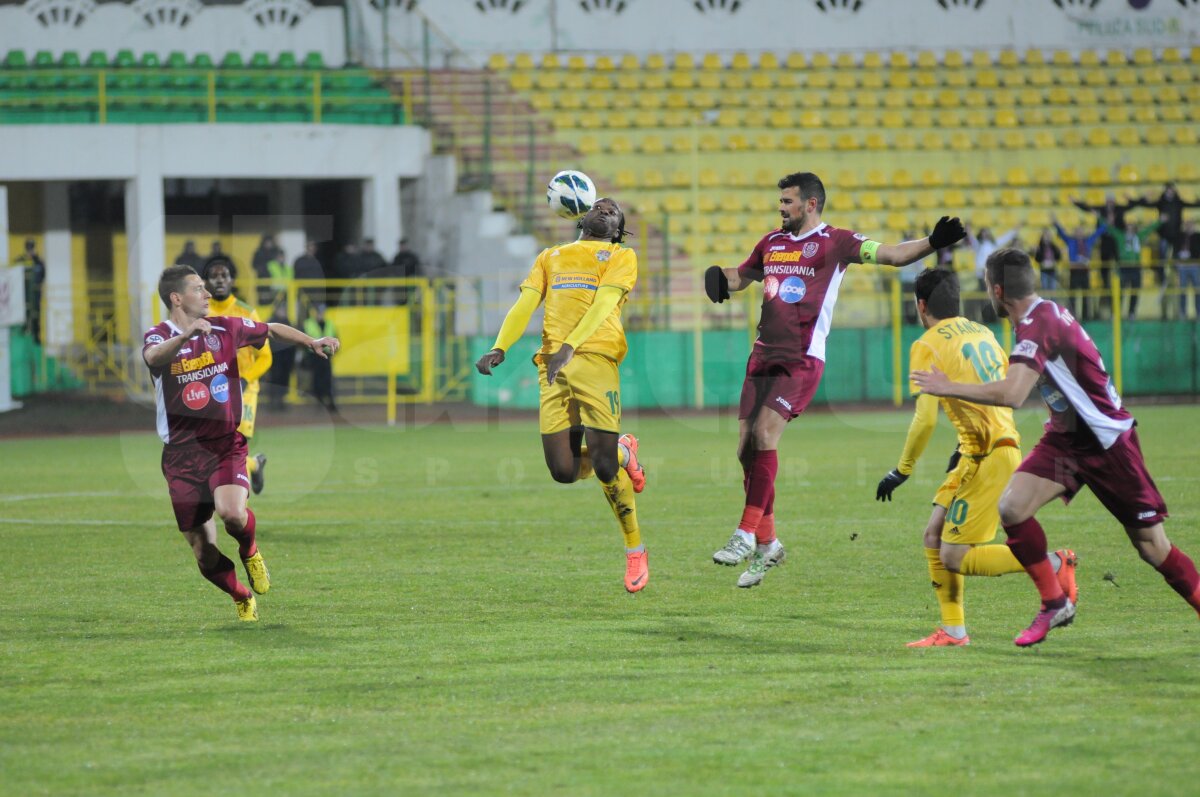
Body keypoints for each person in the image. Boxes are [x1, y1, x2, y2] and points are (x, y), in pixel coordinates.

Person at [912, 247, 1200, 647]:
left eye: (987, 286)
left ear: (997, 290)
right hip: (1066, 441)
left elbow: (1013, 394)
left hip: (1107, 444)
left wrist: (948, 387)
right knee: (1012, 508)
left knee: (1152, 547)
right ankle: (1053, 602)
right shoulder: (1038, 317)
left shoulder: (1038, 325)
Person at [702, 171, 967, 589]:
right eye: (780, 201)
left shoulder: (836, 242)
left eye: (787, 201)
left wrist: (932, 242)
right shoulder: (771, 243)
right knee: (744, 450)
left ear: (810, 204)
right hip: (762, 355)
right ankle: (769, 543)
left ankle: (745, 533)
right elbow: (743, 276)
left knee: (765, 435)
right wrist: (721, 279)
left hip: (802, 358)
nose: (781, 208)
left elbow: (893, 254)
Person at [875, 268, 1076, 647]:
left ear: (921, 306)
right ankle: (953, 631)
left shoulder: (926, 344)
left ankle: (1053, 563)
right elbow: (1003, 388)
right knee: (933, 535)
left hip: (988, 454)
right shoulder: (983, 332)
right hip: (982, 449)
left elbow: (925, 419)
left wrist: (902, 470)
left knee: (955, 556)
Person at [143, 264, 339, 621]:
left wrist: (310, 342)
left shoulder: (224, 327)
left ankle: (250, 550)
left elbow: (271, 329)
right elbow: (153, 358)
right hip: (181, 457)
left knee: (232, 514)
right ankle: (241, 595)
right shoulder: (158, 336)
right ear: (177, 298)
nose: (206, 294)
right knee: (203, 551)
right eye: (198, 288)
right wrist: (186, 338)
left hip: (224, 445)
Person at [475, 197, 650, 593]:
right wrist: (500, 346)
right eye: (599, 207)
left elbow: (604, 303)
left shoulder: (620, 256)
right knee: (562, 471)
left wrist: (571, 345)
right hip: (551, 364)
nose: (605, 210)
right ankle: (623, 450)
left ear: (618, 230)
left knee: (604, 468)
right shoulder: (550, 256)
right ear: (582, 216)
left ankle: (634, 548)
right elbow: (525, 303)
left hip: (595, 357)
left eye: (613, 212)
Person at [202, 256, 273, 495]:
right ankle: (254, 465)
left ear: (232, 280)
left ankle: (239, 507)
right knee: (217, 449)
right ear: (206, 282)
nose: (219, 280)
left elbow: (265, 357)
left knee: (236, 444)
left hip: (245, 389)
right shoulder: (201, 314)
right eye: (214, 276)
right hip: (214, 390)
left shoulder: (246, 313)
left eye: (224, 275)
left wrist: (245, 379)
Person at [1104, 216, 1162, 319]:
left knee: (1135, 291)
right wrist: (1100, 217)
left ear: (1134, 230)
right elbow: (1110, 229)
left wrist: (1159, 221)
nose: (1130, 231)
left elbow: (1149, 229)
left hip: (1136, 268)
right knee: (1119, 292)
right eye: (1128, 228)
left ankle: (1131, 313)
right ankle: (1115, 313)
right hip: (1123, 267)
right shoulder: (1121, 236)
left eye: (1132, 228)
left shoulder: (1138, 237)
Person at [1052, 214, 1106, 321]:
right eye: (1077, 231)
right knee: (1072, 296)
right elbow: (1062, 233)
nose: (1079, 233)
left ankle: (1086, 317)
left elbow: (1099, 232)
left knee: (1086, 295)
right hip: (1074, 270)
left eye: (1081, 231)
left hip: (1085, 271)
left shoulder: (1088, 241)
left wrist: (1100, 218)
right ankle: (1072, 317)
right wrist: (1056, 223)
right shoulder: (1070, 241)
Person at [965, 224, 1021, 323]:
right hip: (981, 275)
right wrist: (968, 230)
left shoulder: (993, 244)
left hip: (991, 275)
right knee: (984, 298)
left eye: (986, 232)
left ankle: (994, 319)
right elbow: (972, 239)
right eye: (983, 232)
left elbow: (1004, 238)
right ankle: (986, 319)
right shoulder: (978, 245)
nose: (985, 234)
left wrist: (1014, 230)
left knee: (993, 297)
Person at [303, 304, 337, 411]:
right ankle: (320, 402)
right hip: (314, 356)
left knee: (327, 379)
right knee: (317, 380)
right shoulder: (308, 324)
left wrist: (334, 349)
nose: (321, 314)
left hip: (326, 356)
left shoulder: (329, 324)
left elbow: (336, 338)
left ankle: (329, 402)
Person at [264, 301, 295, 411]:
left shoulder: (287, 322)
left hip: (285, 359)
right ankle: (273, 402)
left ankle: (280, 402)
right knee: (274, 380)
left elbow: (292, 341)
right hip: (274, 358)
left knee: (283, 380)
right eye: (281, 309)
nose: (283, 312)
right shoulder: (271, 323)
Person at [13, 238, 44, 344]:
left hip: (35, 293)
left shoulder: (38, 262)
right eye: (28, 247)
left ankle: (36, 337)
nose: (30, 250)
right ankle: (23, 333)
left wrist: (35, 258)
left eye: (31, 247)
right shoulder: (21, 260)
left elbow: (42, 275)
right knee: (24, 313)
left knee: (36, 314)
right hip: (23, 293)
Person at [1176, 221, 1200, 319]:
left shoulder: (1198, 236)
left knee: (1197, 290)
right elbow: (1176, 249)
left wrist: (1192, 254)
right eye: (1187, 225)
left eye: (1190, 225)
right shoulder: (1180, 236)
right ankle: (1182, 312)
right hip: (1182, 266)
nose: (1189, 227)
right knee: (1182, 290)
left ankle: (1198, 312)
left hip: (1194, 265)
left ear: (1194, 226)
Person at [293, 240, 326, 310]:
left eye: (313, 246)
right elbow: (295, 276)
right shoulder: (299, 261)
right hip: (303, 293)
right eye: (309, 246)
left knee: (317, 313)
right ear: (306, 247)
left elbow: (322, 276)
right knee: (303, 313)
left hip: (316, 294)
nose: (311, 248)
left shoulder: (320, 260)